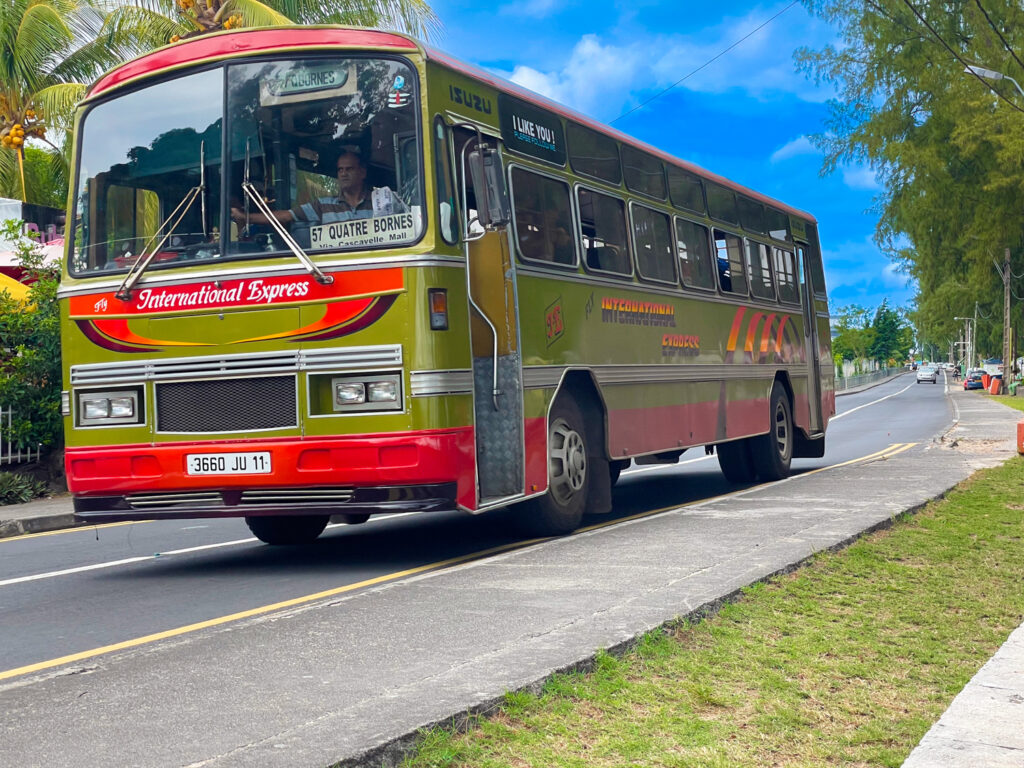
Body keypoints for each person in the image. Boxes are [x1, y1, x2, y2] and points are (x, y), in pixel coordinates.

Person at [230, 145, 406, 230]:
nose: (344, 174)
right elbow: (285, 216)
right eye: (340, 170)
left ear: (362, 172)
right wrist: (246, 217)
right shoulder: (322, 206)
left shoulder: (382, 203)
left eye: (349, 169)